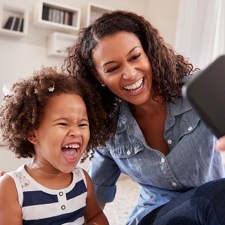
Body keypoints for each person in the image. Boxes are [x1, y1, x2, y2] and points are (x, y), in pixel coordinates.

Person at [63, 10, 225, 225]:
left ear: (149, 52)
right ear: (99, 77)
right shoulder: (108, 130)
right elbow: (94, 202)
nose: (130, 73)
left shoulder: (199, 91)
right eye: (113, 68)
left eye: (135, 57)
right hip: (156, 217)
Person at [0, 67, 109, 225]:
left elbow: (95, 216)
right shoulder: (12, 188)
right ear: (32, 134)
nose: (76, 132)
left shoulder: (82, 179)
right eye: (63, 124)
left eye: (82, 124)